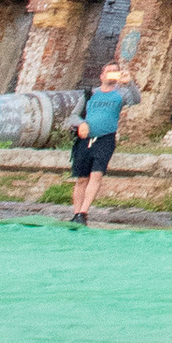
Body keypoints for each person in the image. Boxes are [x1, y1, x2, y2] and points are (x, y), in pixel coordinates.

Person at [67, 56, 135, 228]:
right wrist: (80, 124)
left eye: (115, 72)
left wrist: (129, 83)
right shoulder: (91, 93)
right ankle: (76, 212)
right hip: (85, 139)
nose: (111, 75)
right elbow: (74, 116)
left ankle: (84, 212)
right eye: (108, 72)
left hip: (105, 139)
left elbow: (136, 100)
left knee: (96, 174)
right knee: (81, 179)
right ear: (102, 75)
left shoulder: (121, 93)